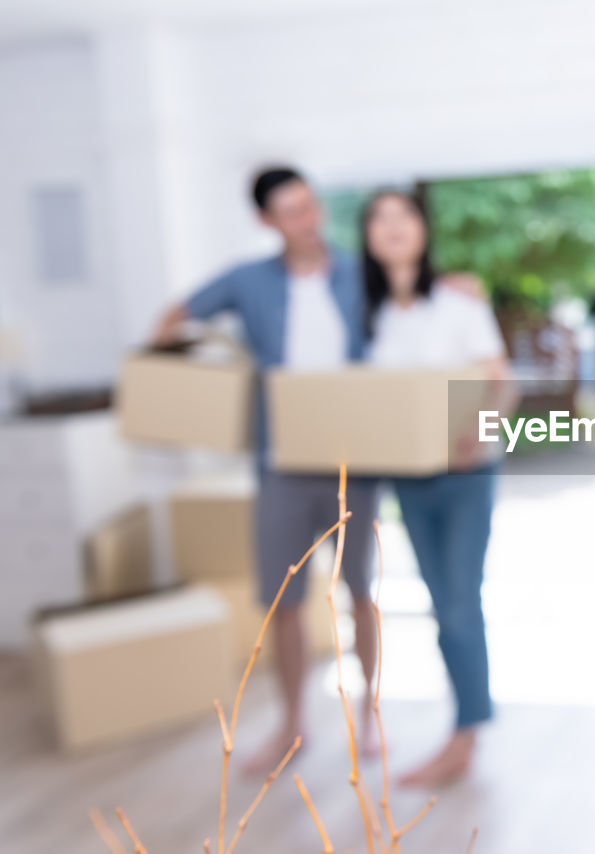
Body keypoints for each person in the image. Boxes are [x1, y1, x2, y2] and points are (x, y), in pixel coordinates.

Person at [151, 166, 382, 772]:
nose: (307, 221)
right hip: (280, 460)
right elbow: (174, 319)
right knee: (283, 596)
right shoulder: (248, 281)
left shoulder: (359, 273)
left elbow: (414, 300)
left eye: (310, 206)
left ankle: (369, 715)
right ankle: (292, 724)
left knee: (360, 588)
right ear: (266, 221)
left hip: (352, 457)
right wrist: (199, 380)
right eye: (291, 212)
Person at [361, 189, 517, 786]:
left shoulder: (457, 302)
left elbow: (500, 383)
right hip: (408, 478)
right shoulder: (369, 316)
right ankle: (465, 728)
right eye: (381, 218)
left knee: (457, 605)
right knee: (441, 604)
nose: (394, 228)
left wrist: (475, 434)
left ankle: (464, 736)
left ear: (423, 229)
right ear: (368, 235)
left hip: (466, 473)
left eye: (405, 217)